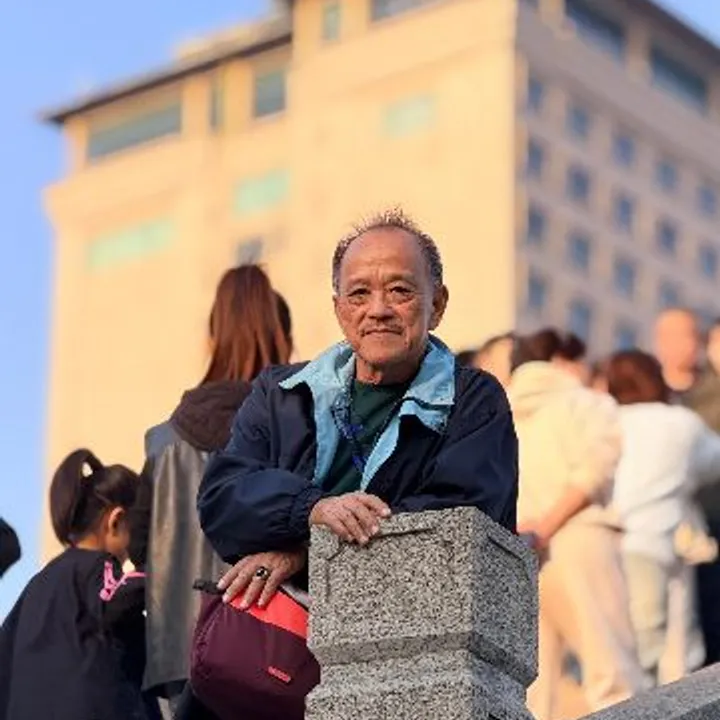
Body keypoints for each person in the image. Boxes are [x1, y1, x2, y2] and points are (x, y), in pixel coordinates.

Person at [198, 208, 519, 609]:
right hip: (281, 636)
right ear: (339, 310)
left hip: (411, 632)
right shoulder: (281, 393)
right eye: (359, 294)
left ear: (437, 305)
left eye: (400, 291)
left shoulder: (473, 401)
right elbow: (223, 499)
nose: (378, 309)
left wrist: (305, 554)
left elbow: (457, 522)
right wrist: (312, 509)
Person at [133, 265, 293, 717]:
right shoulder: (292, 426)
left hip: (178, 657)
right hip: (271, 649)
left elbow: (140, 548)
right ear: (283, 339)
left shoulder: (162, 443)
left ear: (211, 339)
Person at [507, 328, 644, 719]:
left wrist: (527, 531)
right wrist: (548, 526)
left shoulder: (500, 412)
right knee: (612, 671)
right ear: (561, 361)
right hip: (579, 536)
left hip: (519, 548)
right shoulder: (586, 402)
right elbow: (594, 471)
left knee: (534, 687)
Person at [0, 449, 156, 720]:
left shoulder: (35, 587)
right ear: (116, 520)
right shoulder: (95, 567)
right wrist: (161, 571)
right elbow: (117, 598)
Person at [607, 350, 720, 686]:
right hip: (659, 539)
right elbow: (714, 462)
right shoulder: (680, 422)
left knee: (623, 639)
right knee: (663, 641)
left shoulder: (606, 418)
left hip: (609, 538)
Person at [654, 308, 720, 665]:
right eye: (676, 336)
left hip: (711, 518)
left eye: (693, 336)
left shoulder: (712, 389)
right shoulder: (646, 388)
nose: (686, 345)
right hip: (658, 523)